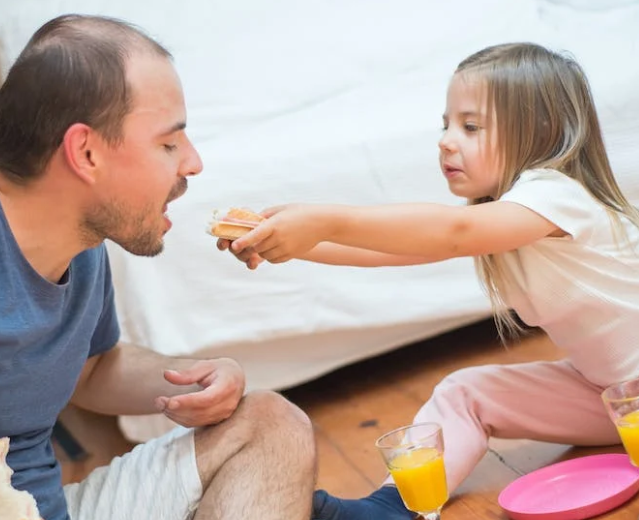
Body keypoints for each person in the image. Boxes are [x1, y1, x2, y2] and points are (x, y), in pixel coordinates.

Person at [220, 42, 639, 520]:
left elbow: (449, 232)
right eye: (446, 124)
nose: (445, 140)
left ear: (540, 131)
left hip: (623, 396)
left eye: (470, 126)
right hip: (612, 397)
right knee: (465, 392)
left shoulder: (558, 195)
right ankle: (391, 507)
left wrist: (325, 220)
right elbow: (395, 251)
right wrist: (288, 243)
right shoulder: (502, 218)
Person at [0, 14, 317, 520]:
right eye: (168, 144)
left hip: (44, 506)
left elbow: (92, 370)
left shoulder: (82, 252)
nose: (192, 163)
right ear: (85, 152)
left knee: (270, 424)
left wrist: (193, 383)